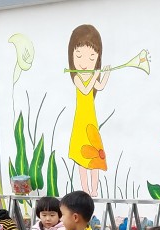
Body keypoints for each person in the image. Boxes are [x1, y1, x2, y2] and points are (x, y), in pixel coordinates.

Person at [67, 24, 110, 196]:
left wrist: (105, 74)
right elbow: (85, 90)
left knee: (95, 157)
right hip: (81, 122)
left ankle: (94, 189)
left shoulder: (91, 76)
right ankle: (85, 189)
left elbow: (100, 86)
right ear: (72, 57)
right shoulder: (78, 77)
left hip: (91, 122)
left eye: (92, 57)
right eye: (79, 56)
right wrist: (94, 75)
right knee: (81, 158)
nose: (85, 62)